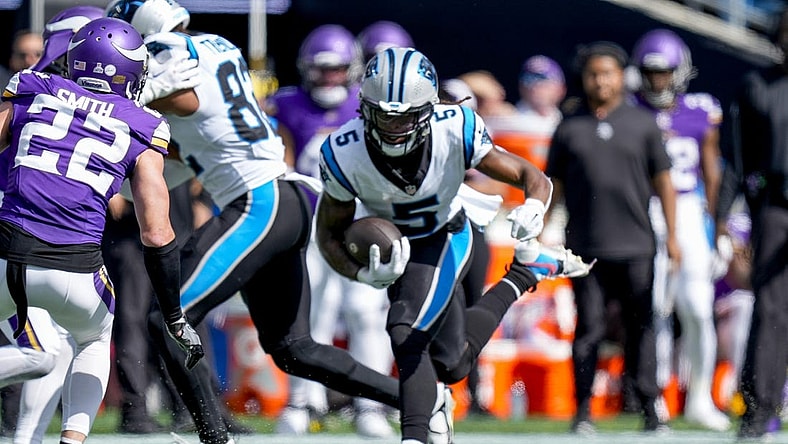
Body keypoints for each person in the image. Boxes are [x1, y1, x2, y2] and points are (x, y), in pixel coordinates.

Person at [107, 2, 428, 443]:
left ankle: (214, 436)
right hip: (284, 200)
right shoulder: (215, 49)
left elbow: (159, 97)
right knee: (295, 350)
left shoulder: (168, 50)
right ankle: (421, 403)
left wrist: (114, 98)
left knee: (170, 317)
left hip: (260, 200)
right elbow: (185, 153)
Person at [315, 46, 594, 444]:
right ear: (364, 107)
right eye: (385, 116)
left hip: (448, 232)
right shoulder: (344, 152)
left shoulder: (455, 126)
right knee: (453, 362)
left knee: (405, 329)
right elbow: (328, 235)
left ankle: (415, 435)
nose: (395, 127)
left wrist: (534, 205)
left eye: (406, 116)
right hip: (399, 250)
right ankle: (524, 274)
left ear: (428, 109)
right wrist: (360, 271)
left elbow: (532, 176)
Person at [0, 17, 204, 444]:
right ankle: (71, 440)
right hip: (72, 270)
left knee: (40, 351)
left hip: (5, 254)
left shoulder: (33, 86)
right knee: (93, 337)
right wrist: (173, 314)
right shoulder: (145, 125)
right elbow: (157, 232)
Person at [266, 24, 395, 438]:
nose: (329, 79)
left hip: (357, 226)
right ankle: (303, 402)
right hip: (307, 225)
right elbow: (279, 158)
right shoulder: (287, 105)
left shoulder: (366, 103)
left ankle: (370, 406)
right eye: (321, 71)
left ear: (352, 69)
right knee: (310, 318)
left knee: (365, 315)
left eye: (337, 70)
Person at [544, 41, 679, 434]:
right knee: (589, 329)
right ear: (583, 78)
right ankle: (582, 409)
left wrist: (672, 236)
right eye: (592, 73)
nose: (600, 80)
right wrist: (540, 226)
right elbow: (555, 182)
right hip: (585, 247)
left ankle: (650, 406)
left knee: (643, 328)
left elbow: (665, 182)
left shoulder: (643, 123)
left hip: (637, 243)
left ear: (622, 77)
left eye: (607, 73)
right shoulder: (569, 126)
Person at [0, 8, 103, 444]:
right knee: (43, 353)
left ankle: (28, 442)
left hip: (43, 247)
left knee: (58, 347)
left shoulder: (53, 92)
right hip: (13, 240)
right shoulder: (31, 89)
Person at [630, 29, 729, 431]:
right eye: (651, 72)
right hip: (645, 209)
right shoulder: (630, 109)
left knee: (699, 309)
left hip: (688, 211)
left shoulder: (701, 110)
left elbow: (712, 171)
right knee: (654, 310)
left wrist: (717, 228)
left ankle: (700, 398)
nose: (658, 80)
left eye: (664, 72)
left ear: (680, 70)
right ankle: (657, 400)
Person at [717, 7, 788, 440]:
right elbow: (739, 160)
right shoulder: (758, 87)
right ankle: (758, 410)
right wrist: (724, 217)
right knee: (773, 309)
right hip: (777, 209)